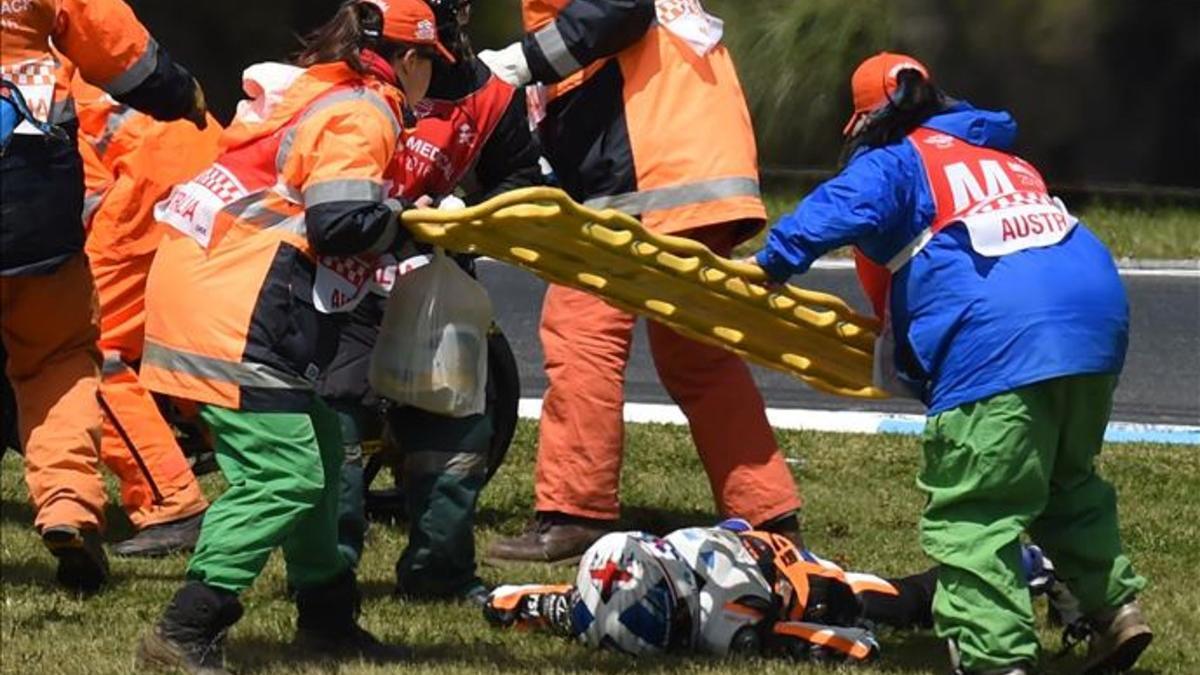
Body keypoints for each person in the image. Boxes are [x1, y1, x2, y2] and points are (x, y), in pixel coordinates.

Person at [748, 52, 1150, 675]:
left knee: (978, 509)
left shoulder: (896, 161)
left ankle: (996, 659)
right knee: (1066, 484)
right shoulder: (1005, 159)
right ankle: (1115, 610)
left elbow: (837, 209)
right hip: (1095, 322)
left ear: (866, 123)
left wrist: (772, 262)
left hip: (1000, 339)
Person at [134, 1, 453, 671]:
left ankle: (328, 619)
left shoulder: (313, 88)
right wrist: (407, 222)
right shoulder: (364, 111)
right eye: (432, 65)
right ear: (411, 59)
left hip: (207, 284)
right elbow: (339, 222)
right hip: (237, 308)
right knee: (286, 474)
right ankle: (185, 629)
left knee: (325, 453)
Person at [478, 0, 804, 565]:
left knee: (581, 331)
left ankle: (574, 513)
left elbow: (615, 10)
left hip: (647, 171)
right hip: (700, 167)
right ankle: (771, 520)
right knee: (700, 357)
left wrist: (521, 60)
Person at [318, 0, 543, 602]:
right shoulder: (343, 73)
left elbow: (520, 176)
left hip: (433, 279)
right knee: (335, 430)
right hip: (339, 280)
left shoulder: (490, 94)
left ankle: (440, 575)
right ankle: (326, 586)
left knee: (456, 432)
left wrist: (468, 214)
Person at [1, 0, 206, 592]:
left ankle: (170, 497)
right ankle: (67, 505)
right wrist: (183, 94)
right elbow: (128, 55)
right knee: (58, 362)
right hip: (36, 212)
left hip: (132, 190)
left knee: (95, 352)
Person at [70, 67, 221, 557]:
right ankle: (291, 485)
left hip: (143, 187)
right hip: (207, 163)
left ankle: (170, 502)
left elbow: (79, 188)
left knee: (86, 353)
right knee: (190, 341)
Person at [485, 521, 940, 661]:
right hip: (728, 542)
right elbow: (512, 599)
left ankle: (1002, 570)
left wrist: (824, 642)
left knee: (858, 601)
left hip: (785, 568)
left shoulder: (726, 618)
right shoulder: (601, 601)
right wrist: (504, 604)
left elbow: (859, 649)